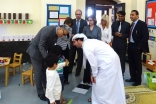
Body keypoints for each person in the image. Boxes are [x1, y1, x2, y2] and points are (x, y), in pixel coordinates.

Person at [26, 18, 72, 101]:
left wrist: (52, 58)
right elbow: (40, 45)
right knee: (39, 72)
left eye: (65, 35)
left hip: (42, 52)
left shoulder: (57, 35)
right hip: (35, 52)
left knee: (45, 70)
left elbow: (50, 47)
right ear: (60, 29)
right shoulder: (47, 30)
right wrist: (47, 58)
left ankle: (47, 90)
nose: (63, 36)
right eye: (63, 34)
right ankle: (40, 93)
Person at [72, 33, 126, 104]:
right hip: (110, 60)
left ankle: (104, 101)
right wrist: (93, 74)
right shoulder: (88, 42)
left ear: (79, 40)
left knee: (99, 83)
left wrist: (94, 75)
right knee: (108, 83)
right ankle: (99, 100)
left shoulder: (86, 47)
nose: (74, 44)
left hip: (109, 63)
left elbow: (93, 64)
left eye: (74, 42)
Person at [125, 10, 149, 86]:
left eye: (132, 15)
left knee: (137, 64)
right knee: (131, 63)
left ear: (137, 16)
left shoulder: (142, 24)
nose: (131, 16)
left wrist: (139, 46)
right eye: (130, 15)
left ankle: (138, 81)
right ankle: (132, 77)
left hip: (137, 46)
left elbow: (145, 37)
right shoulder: (132, 24)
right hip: (131, 45)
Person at [83, 15, 101, 84]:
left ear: (94, 20)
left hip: (95, 47)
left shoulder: (98, 28)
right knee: (87, 63)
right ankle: (86, 79)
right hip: (87, 47)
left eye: (91, 20)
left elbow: (99, 38)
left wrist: (94, 42)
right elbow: (83, 37)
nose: (89, 22)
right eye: (88, 20)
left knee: (94, 62)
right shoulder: (85, 28)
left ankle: (94, 77)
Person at [68, 9, 87, 76]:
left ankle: (78, 71)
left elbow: (85, 32)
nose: (78, 15)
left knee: (80, 57)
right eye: (77, 14)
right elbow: (69, 30)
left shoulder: (84, 22)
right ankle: (70, 70)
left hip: (80, 42)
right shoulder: (72, 21)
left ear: (81, 15)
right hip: (73, 42)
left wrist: (79, 36)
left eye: (79, 14)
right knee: (71, 56)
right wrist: (72, 34)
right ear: (75, 14)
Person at [111, 11, 130, 76]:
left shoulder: (127, 24)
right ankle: (114, 71)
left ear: (124, 16)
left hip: (122, 44)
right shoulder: (114, 23)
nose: (120, 17)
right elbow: (111, 32)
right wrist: (115, 33)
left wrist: (122, 35)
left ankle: (122, 72)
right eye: (119, 16)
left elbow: (128, 34)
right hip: (115, 44)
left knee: (122, 59)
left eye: (121, 16)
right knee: (114, 58)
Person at [56, 17, 73, 84]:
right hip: (60, 47)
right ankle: (59, 78)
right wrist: (63, 34)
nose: (68, 26)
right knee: (59, 62)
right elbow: (60, 36)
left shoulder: (70, 29)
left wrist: (64, 35)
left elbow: (69, 38)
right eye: (67, 24)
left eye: (69, 25)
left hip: (67, 48)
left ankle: (66, 79)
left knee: (67, 62)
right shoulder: (60, 28)